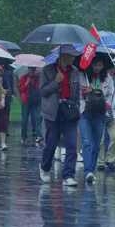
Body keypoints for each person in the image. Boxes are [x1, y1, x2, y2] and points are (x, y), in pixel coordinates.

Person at [39, 47, 87, 187]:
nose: (73, 59)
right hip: (53, 112)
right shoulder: (47, 70)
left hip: (70, 111)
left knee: (72, 145)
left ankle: (68, 175)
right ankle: (45, 167)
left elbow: (76, 92)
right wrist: (56, 82)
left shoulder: (75, 72)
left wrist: (77, 107)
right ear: (63, 55)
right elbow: (43, 92)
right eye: (71, 56)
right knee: (51, 144)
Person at [80, 58, 108, 184]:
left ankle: (91, 169)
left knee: (96, 145)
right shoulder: (83, 75)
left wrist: (96, 91)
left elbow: (109, 94)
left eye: (100, 65)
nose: (97, 67)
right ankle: (88, 172)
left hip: (100, 114)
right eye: (95, 64)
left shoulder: (106, 78)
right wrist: (84, 91)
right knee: (87, 142)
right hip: (85, 112)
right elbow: (77, 91)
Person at [99, 66, 115, 172]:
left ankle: (110, 159)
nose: (114, 68)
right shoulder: (103, 78)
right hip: (101, 111)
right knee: (101, 139)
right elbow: (100, 94)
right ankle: (100, 161)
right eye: (112, 66)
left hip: (113, 112)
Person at [19, 67, 42, 146]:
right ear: (28, 69)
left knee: (37, 118)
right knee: (24, 120)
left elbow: (40, 88)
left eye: (33, 69)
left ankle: (38, 135)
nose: (31, 71)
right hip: (26, 101)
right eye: (30, 69)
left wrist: (35, 81)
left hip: (36, 101)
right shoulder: (23, 77)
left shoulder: (38, 78)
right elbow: (21, 89)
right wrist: (27, 83)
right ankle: (23, 136)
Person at [0, 66, 12, 150]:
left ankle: (3, 143)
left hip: (2, 105)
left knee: (3, 123)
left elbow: (8, 90)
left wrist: (1, 88)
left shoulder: (4, 79)